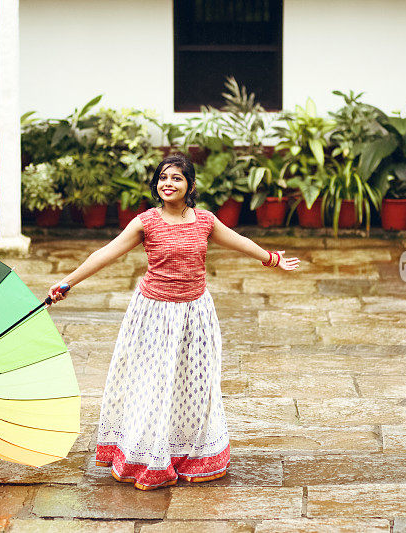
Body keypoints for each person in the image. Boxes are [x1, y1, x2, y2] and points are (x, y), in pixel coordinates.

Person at [47, 153, 300, 490]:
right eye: (163, 177)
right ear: (156, 184)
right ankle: (149, 455)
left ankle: (190, 455)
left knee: (195, 386)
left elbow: (240, 242)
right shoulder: (145, 222)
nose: (168, 183)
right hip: (153, 315)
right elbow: (105, 253)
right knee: (153, 385)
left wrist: (273, 259)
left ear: (190, 186)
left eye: (177, 178)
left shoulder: (206, 222)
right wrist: (67, 283)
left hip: (196, 315)